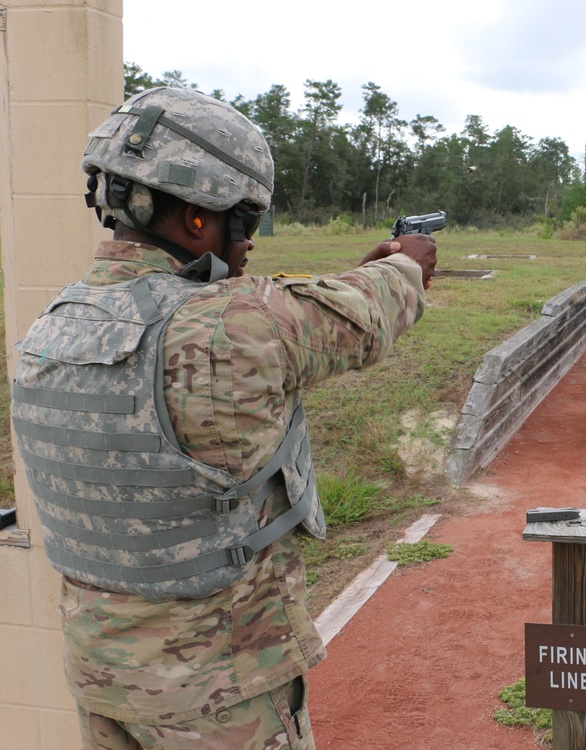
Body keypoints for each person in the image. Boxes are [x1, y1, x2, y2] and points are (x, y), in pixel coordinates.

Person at [9, 86, 436, 749]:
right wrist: (408, 262)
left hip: (102, 677)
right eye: (245, 221)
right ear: (199, 220)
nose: (250, 244)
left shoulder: (51, 326)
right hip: (220, 689)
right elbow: (367, 316)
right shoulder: (236, 323)